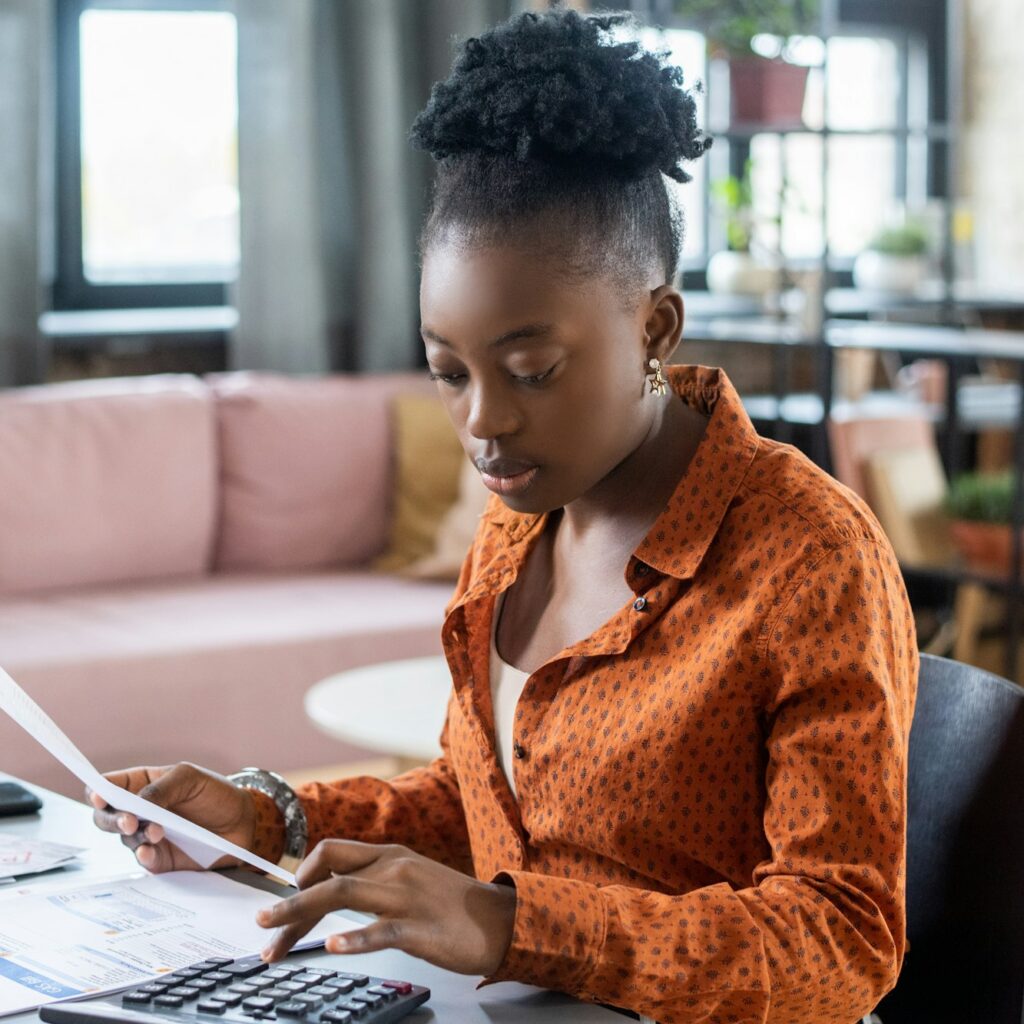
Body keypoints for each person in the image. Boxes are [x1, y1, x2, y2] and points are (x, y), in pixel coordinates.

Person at [90, 10, 917, 1024]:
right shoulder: (522, 515)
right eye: (448, 371)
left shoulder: (808, 556)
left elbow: (841, 937)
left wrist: (510, 927)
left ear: (653, 325)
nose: (481, 422)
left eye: (531, 370)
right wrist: (266, 816)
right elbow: (487, 812)